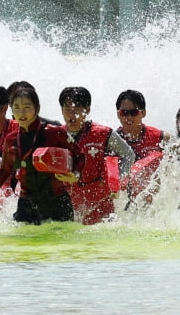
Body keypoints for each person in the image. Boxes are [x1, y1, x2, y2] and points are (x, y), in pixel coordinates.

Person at [0, 87, 79, 225]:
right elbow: (4, 171)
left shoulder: (54, 132)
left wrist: (75, 175)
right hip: (27, 204)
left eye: (27, 107)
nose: (21, 112)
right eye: (16, 107)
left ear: (37, 108)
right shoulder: (11, 140)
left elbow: (80, 154)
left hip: (57, 202)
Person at [56, 86, 135, 225]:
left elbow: (128, 155)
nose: (71, 114)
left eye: (77, 109)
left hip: (101, 204)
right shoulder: (55, 135)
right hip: (68, 204)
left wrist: (115, 181)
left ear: (87, 109)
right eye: (67, 108)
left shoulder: (104, 133)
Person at [115, 89, 172, 204]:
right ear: (118, 115)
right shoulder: (112, 142)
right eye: (124, 113)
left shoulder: (161, 138)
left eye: (133, 112)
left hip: (156, 198)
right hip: (125, 199)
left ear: (143, 113)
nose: (129, 117)